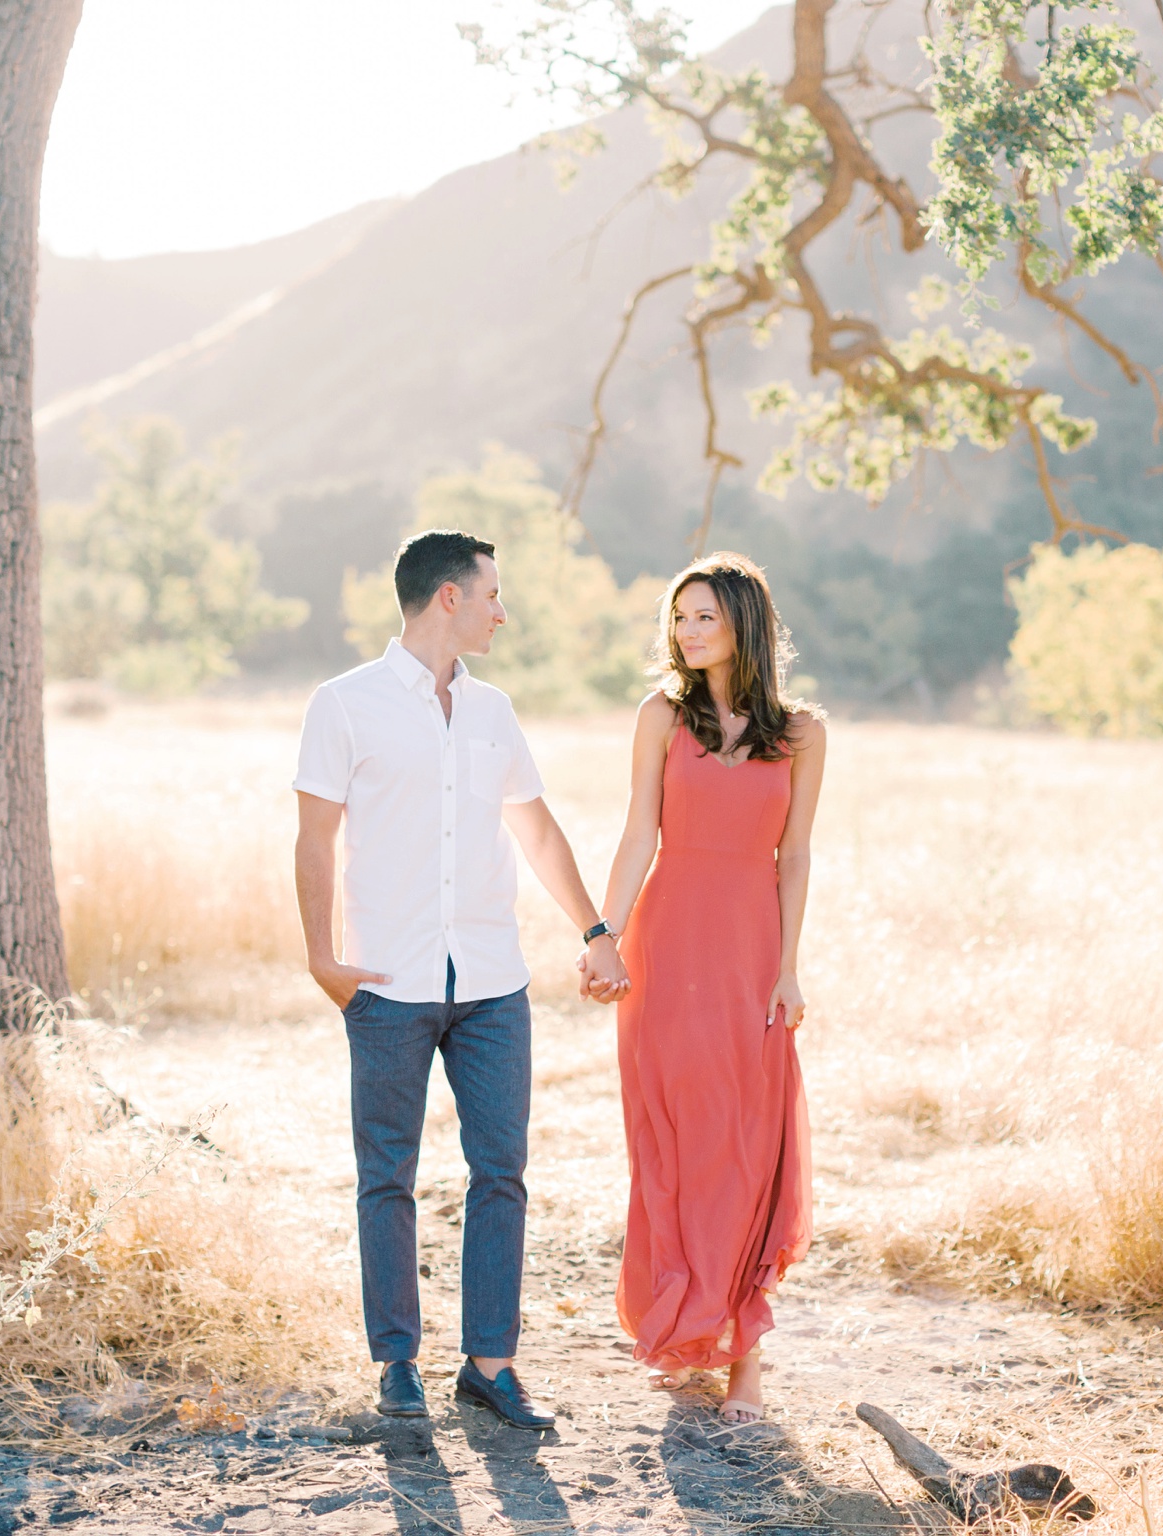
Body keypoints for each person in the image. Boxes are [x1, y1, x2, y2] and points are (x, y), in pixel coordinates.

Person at [292, 528, 629, 1428]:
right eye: (491, 596)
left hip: (491, 981)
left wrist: (594, 929)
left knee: (501, 1171)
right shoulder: (344, 704)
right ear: (448, 596)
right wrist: (323, 959)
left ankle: (490, 1365)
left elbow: (539, 832)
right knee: (387, 1176)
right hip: (387, 984)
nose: (501, 612)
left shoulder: (494, 712)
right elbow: (314, 837)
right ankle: (397, 1363)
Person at [583, 551, 825, 1424]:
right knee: (675, 1144)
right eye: (678, 618)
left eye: (703, 618)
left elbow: (793, 855)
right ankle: (686, 1332)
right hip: (667, 944)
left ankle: (744, 1362)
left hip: (750, 952)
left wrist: (790, 965)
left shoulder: (800, 733)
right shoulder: (659, 716)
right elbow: (637, 833)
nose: (685, 633)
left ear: (744, 625)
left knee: (746, 1146)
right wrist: (602, 936)